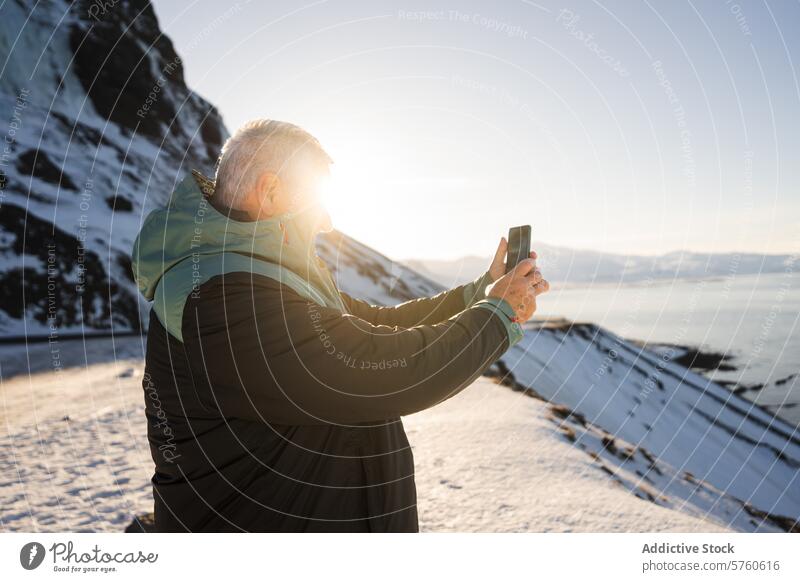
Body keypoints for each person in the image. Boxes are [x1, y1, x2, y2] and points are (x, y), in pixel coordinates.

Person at [131, 119, 550, 532]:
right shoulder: (222, 298)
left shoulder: (266, 274)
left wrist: (481, 293)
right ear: (270, 191)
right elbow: (382, 370)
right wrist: (496, 314)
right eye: (316, 199)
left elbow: (374, 325)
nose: (327, 221)